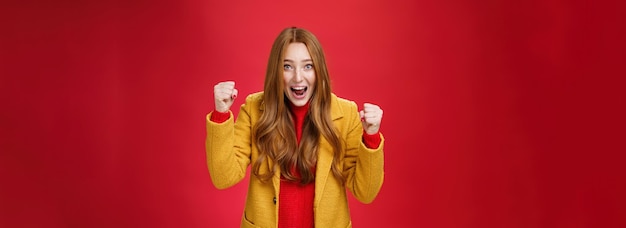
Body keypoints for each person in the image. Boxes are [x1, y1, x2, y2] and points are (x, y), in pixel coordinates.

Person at [205, 27, 385, 228]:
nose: (298, 77)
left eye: (308, 66)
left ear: (319, 70)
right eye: (287, 66)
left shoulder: (346, 114)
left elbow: (365, 192)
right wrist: (221, 114)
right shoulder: (254, 109)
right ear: (276, 70)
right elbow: (223, 177)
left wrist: (371, 137)